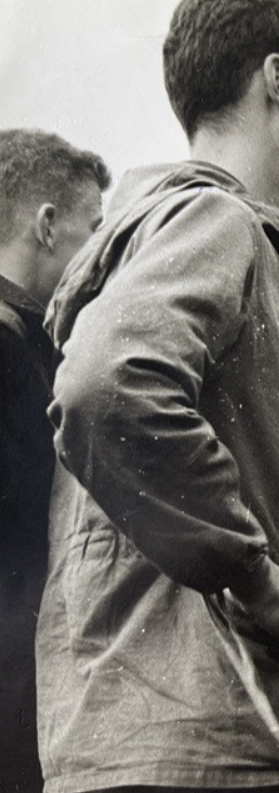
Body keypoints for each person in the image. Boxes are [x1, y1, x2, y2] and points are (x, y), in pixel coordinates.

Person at [38, 0, 279, 792]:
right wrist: (253, 577)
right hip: (214, 743)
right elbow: (108, 385)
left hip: (184, 734)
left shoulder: (190, 231)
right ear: (277, 80)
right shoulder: (216, 221)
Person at [0, 129, 109, 793]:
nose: (101, 253)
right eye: (94, 230)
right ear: (46, 226)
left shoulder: (34, 338)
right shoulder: (10, 344)